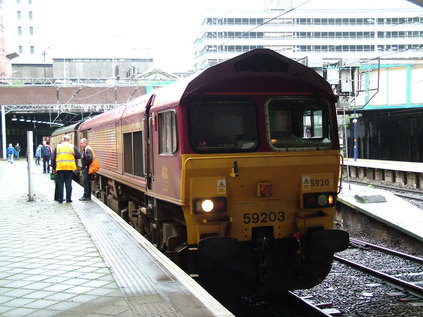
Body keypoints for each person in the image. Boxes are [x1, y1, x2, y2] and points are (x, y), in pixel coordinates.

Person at [51, 135, 81, 203]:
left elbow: (53, 158)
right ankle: (68, 199)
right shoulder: (72, 147)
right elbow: (79, 156)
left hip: (60, 167)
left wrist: (54, 167)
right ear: (69, 140)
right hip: (69, 168)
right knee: (68, 184)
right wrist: (72, 156)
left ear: (63, 140)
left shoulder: (58, 147)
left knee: (60, 184)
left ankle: (60, 199)